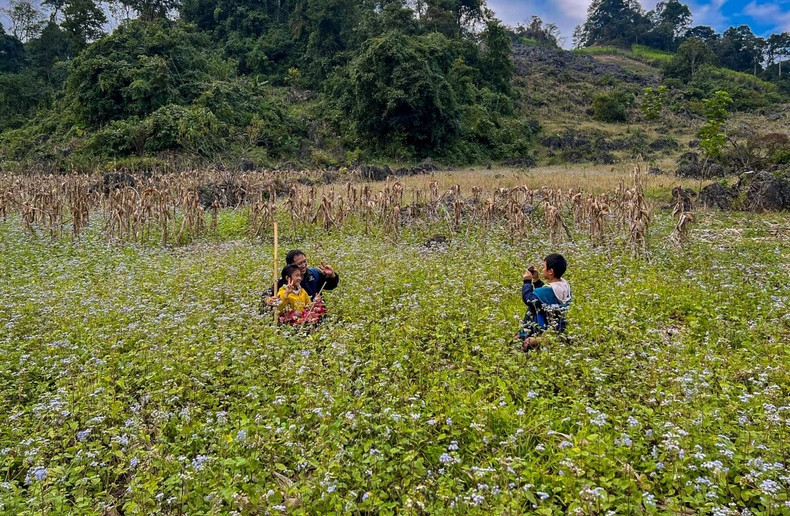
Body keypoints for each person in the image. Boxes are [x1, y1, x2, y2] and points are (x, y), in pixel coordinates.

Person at [517, 253, 572, 351]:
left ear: (550, 271)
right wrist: (536, 280)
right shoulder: (564, 286)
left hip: (541, 324)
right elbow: (544, 297)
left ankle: (531, 341)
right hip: (556, 324)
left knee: (520, 341)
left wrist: (527, 282)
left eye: (544, 267)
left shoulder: (549, 291)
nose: (542, 269)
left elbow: (530, 300)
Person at [260, 249, 340, 313]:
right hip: (294, 319)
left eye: (305, 261)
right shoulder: (284, 281)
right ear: (291, 266)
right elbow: (267, 295)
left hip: (315, 315)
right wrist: (268, 300)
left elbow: (330, 286)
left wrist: (332, 275)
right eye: (300, 263)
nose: (304, 265)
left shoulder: (314, 273)